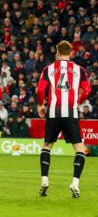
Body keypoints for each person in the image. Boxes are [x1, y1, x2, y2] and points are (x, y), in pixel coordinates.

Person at [37, 40, 91, 198]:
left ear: (57, 52)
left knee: (47, 146)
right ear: (72, 53)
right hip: (70, 112)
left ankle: (45, 180)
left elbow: (40, 90)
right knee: (79, 149)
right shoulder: (79, 69)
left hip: (53, 111)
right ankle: (75, 183)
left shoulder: (48, 69)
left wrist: (41, 104)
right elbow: (87, 90)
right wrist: (78, 102)